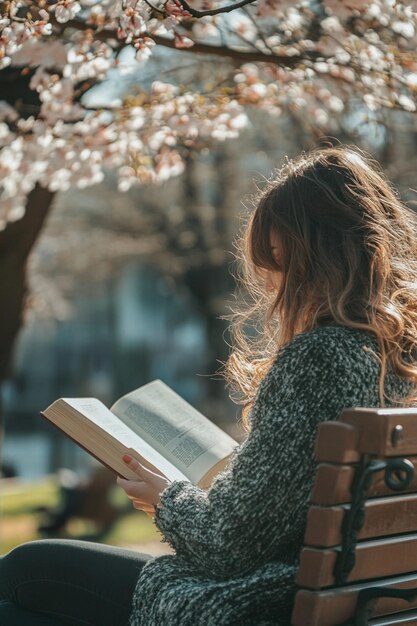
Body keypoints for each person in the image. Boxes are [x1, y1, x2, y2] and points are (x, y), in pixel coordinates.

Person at [2, 145, 417, 626]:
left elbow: (228, 545)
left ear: (319, 261)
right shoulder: (398, 353)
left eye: (281, 263)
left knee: (27, 569)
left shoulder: (320, 357)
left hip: (261, 598)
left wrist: (167, 497)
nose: (274, 286)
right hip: (350, 593)